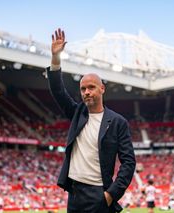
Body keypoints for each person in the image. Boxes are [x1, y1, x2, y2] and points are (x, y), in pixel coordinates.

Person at [47, 28, 136, 213]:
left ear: (102, 89)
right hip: (75, 193)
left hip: (100, 193)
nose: (86, 92)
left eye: (91, 87)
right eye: (82, 89)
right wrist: (56, 58)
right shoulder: (77, 113)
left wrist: (110, 194)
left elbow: (129, 163)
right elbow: (58, 91)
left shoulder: (118, 122)